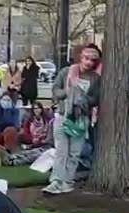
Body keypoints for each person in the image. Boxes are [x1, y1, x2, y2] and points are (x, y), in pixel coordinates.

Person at [42, 44, 101, 194]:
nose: (89, 62)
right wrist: (66, 93)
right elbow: (55, 89)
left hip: (81, 118)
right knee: (61, 151)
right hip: (63, 114)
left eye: (93, 60)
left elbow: (96, 98)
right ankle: (56, 181)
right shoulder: (67, 72)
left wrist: (84, 99)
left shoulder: (95, 78)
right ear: (81, 57)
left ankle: (67, 181)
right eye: (87, 58)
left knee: (74, 152)